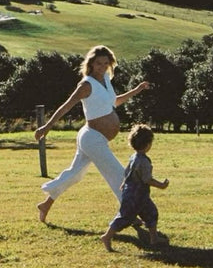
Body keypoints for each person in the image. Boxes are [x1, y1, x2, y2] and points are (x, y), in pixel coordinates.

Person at [34, 45, 150, 223]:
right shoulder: (86, 85)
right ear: (91, 63)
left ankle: (46, 204)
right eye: (98, 63)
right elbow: (66, 106)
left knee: (75, 174)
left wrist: (137, 90)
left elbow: (114, 102)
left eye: (106, 63)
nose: (102, 67)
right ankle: (130, 214)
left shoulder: (105, 79)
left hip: (93, 138)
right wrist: (46, 127)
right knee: (118, 174)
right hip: (92, 138)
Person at [101, 123, 169, 252]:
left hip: (138, 195)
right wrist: (161, 185)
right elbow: (147, 179)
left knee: (151, 213)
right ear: (148, 144)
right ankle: (107, 236)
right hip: (135, 195)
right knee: (125, 217)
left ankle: (154, 239)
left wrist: (124, 184)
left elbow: (127, 172)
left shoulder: (134, 157)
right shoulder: (143, 161)